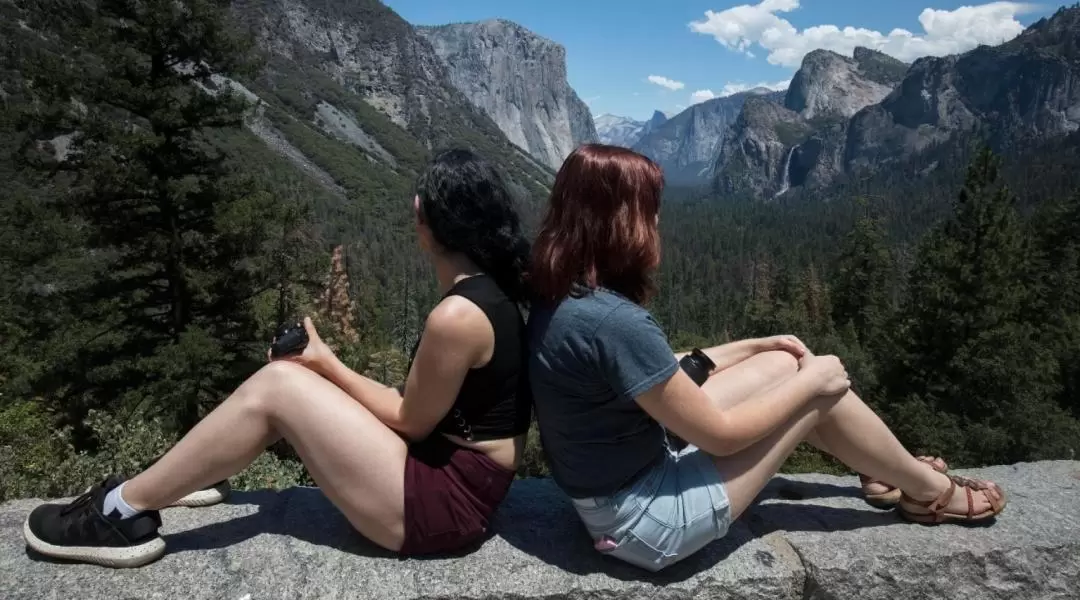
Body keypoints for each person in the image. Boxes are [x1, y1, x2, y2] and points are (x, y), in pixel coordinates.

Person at [23, 148, 534, 568]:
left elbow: (410, 420)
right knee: (290, 386)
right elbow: (418, 408)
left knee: (278, 386)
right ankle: (176, 478)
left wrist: (327, 364)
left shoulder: (458, 316)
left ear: (425, 219)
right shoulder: (490, 293)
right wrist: (323, 368)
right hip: (453, 482)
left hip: (440, 504)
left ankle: (117, 512)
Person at [525, 144, 1006, 573]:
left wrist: (752, 347)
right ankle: (926, 492)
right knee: (820, 388)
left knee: (785, 363)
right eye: (649, 211)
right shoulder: (615, 321)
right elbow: (721, 436)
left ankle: (884, 467)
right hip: (649, 523)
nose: (656, 223)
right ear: (614, 221)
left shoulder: (566, 297)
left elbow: (649, 370)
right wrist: (815, 383)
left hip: (613, 493)